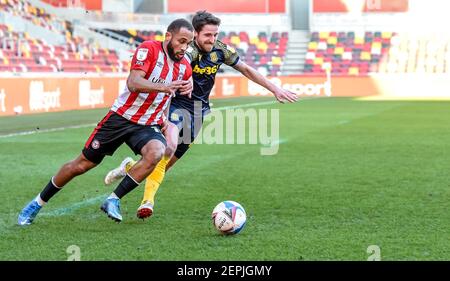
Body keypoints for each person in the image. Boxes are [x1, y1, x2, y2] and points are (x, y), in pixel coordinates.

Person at [104, 11, 298, 220]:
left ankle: (131, 167)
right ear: (195, 34)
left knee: (166, 164)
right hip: (175, 106)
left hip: (198, 112)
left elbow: (245, 68)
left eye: (215, 35)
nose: (212, 40)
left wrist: (274, 88)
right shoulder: (189, 52)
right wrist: (187, 80)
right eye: (208, 35)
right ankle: (148, 201)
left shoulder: (219, 50)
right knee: (168, 147)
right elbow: (182, 64)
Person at [17, 18, 194, 225]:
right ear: (168, 36)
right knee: (81, 165)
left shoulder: (184, 67)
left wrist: (163, 116)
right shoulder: (149, 49)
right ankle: (37, 203)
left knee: (156, 152)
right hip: (120, 119)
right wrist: (164, 86)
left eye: (188, 43)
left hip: (147, 124)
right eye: (181, 41)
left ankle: (113, 200)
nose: (184, 47)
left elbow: (169, 96)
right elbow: (134, 82)